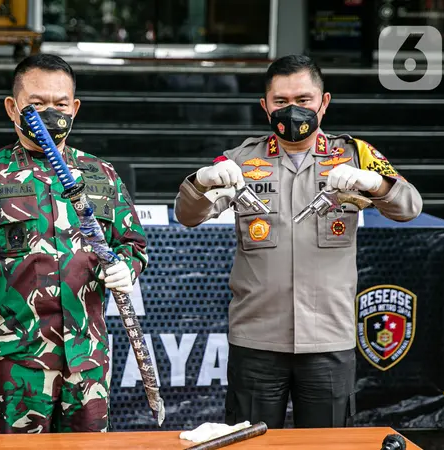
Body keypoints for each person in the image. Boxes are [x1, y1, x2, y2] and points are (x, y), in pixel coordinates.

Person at [174, 55, 422, 429]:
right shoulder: (240, 159)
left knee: (326, 444)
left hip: (328, 340)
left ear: (323, 103)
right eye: (281, 102)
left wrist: (374, 183)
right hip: (257, 339)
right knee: (250, 442)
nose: (292, 111)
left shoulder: (356, 155)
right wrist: (203, 179)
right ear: (265, 106)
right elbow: (187, 215)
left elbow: (409, 207)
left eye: (304, 100)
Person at [0, 54, 148, 434]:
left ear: (76, 108)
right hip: (16, 362)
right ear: (12, 107)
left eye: (60, 104)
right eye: (36, 104)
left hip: (86, 361)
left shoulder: (100, 174)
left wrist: (125, 266)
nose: (50, 113)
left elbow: (133, 243)